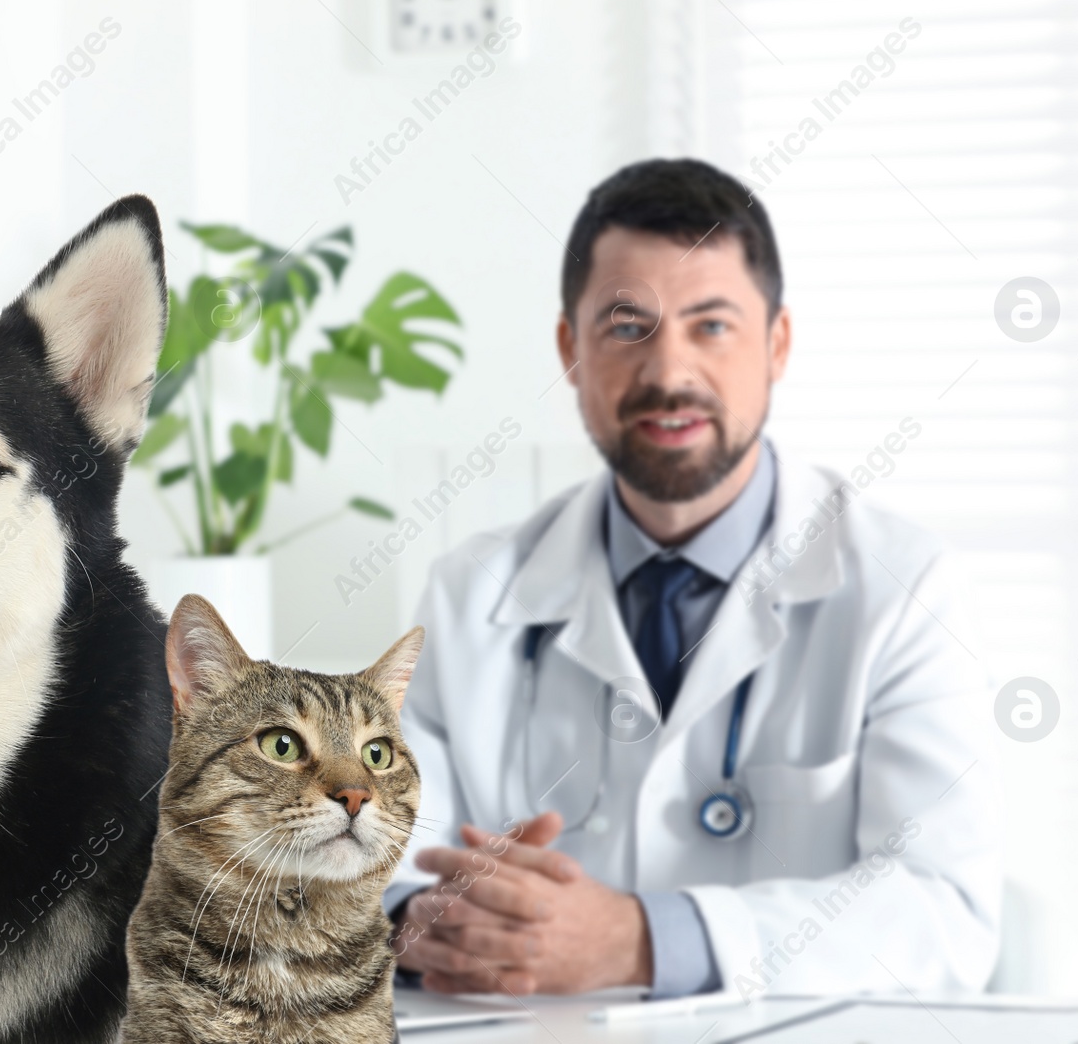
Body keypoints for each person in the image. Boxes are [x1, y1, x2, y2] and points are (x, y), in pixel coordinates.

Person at [387, 159, 1000, 1000]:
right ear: (571, 349)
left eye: (712, 326)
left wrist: (641, 941)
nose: (668, 371)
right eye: (625, 325)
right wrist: (423, 919)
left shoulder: (905, 587)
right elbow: (380, 866)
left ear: (777, 343)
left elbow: (943, 915)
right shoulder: (473, 590)